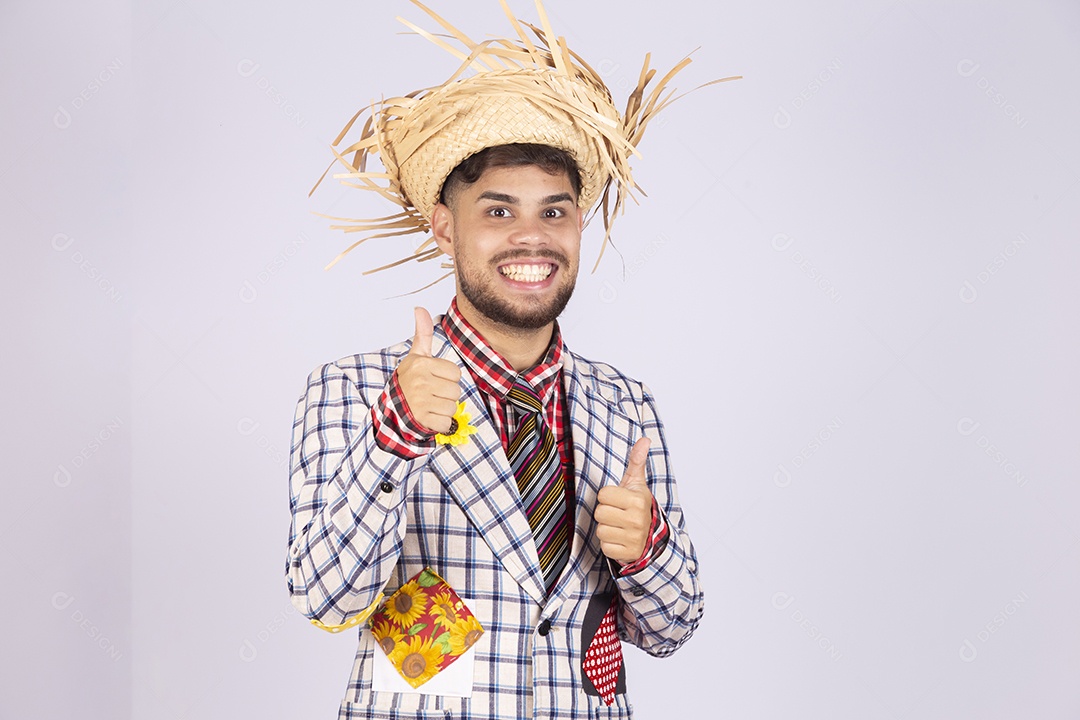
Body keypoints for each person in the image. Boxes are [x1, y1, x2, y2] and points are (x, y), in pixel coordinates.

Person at [287, 2, 736, 718]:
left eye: (553, 212)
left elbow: (672, 628)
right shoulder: (355, 389)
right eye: (498, 212)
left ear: (578, 225)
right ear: (444, 227)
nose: (532, 238)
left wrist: (646, 550)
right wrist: (393, 439)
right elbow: (324, 596)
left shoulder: (626, 407)